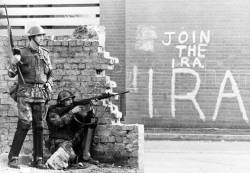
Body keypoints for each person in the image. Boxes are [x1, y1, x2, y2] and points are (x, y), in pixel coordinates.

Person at [7, 25, 53, 169]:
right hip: (25, 93)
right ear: (32, 37)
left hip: (40, 94)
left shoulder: (45, 54)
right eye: (39, 36)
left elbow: (50, 73)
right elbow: (11, 73)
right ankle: (13, 157)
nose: (42, 38)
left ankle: (38, 159)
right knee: (24, 124)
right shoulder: (21, 52)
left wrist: (49, 83)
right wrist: (14, 63)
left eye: (42, 35)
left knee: (39, 126)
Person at [46, 90, 99, 169]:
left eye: (71, 99)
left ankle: (86, 155)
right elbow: (58, 123)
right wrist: (71, 112)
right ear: (61, 102)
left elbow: (85, 120)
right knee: (71, 158)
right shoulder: (53, 110)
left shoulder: (72, 109)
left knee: (92, 123)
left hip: (72, 140)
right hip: (58, 141)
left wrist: (90, 108)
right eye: (67, 100)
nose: (70, 101)